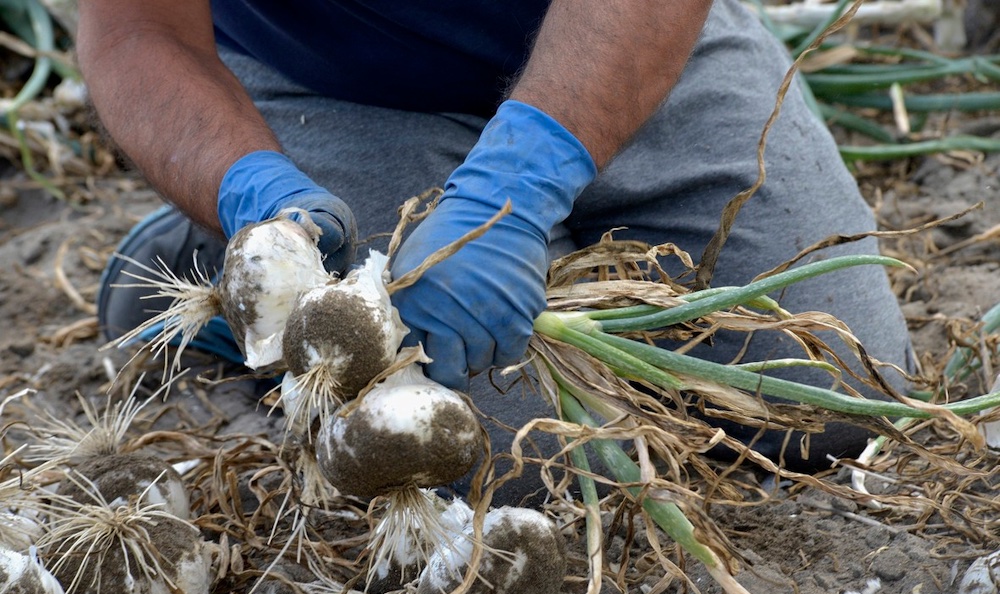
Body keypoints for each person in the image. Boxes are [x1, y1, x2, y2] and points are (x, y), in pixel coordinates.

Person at [81, 0, 914, 505]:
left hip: (622, 33)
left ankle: (543, 214)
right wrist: (253, 196)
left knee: (833, 393)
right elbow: (135, 28)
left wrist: (522, 177)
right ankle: (239, 266)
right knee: (522, 473)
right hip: (330, 83)